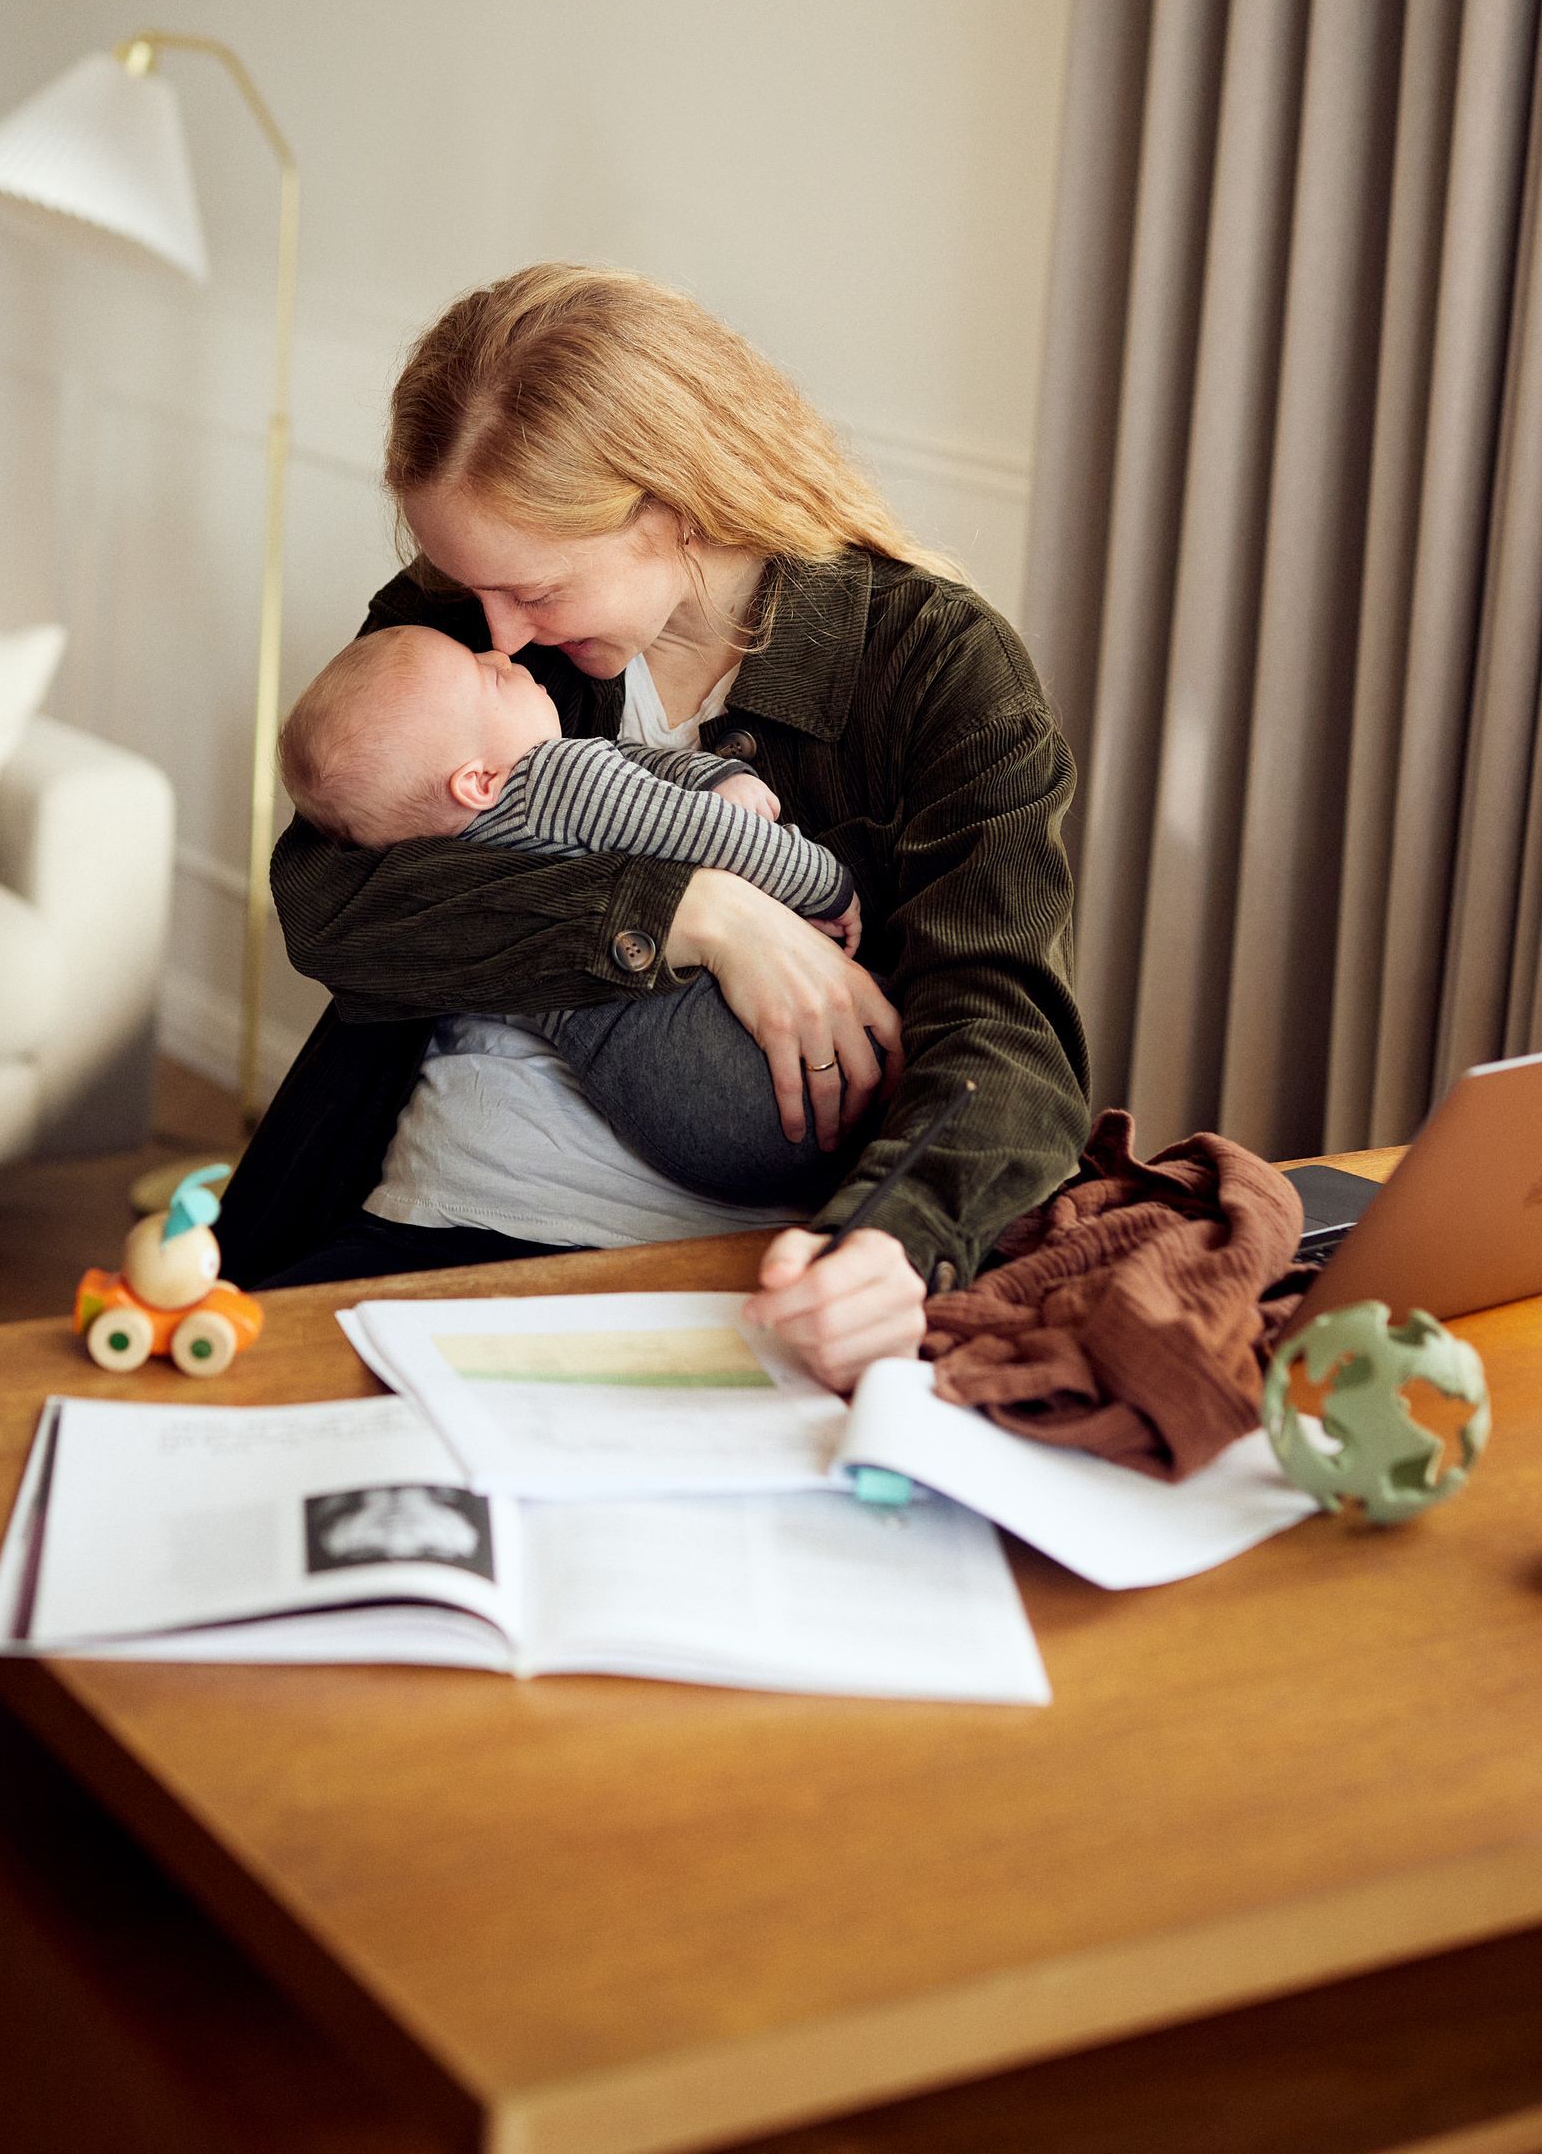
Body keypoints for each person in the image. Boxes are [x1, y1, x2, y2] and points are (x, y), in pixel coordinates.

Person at [217, 263, 1090, 1391]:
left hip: (735, 1270)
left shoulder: (936, 669)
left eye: (536, 591)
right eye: (465, 582)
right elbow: (331, 906)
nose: (496, 631)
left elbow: (1005, 1021)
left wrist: (896, 1238)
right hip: (427, 1223)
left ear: (673, 509)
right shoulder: (467, 614)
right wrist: (687, 910)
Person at [276, 616, 865, 1200]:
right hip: (707, 1053)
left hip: (659, 1109)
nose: (501, 656)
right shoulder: (548, 777)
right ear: (477, 780)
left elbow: (630, 773)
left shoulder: (446, 839)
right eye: (489, 680)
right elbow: (699, 828)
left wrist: (714, 774)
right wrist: (823, 885)